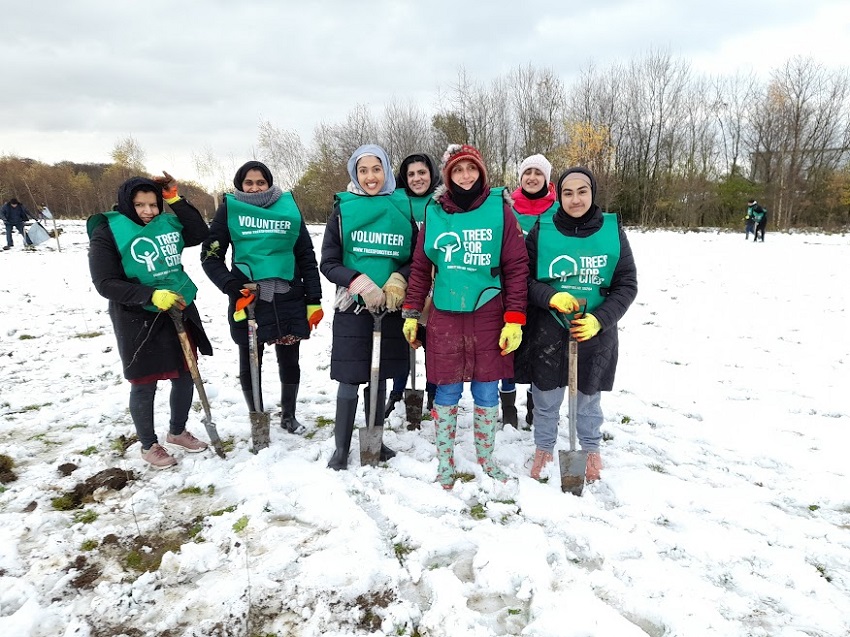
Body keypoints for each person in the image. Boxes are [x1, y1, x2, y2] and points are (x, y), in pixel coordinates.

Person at [401, 144, 529, 489]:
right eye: (458, 170)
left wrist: (515, 316)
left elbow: (516, 267)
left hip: (489, 310)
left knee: (487, 390)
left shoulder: (500, 210)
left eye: (471, 168)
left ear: (481, 172)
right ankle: (445, 458)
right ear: (448, 176)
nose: (466, 175)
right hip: (445, 311)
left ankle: (486, 456)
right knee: (447, 388)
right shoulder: (436, 212)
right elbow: (421, 265)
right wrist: (412, 311)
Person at [515, 167, 637, 482]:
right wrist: (549, 297)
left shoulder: (612, 231)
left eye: (582, 191)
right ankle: (543, 446)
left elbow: (626, 284)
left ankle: (591, 448)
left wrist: (600, 319)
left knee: (588, 397)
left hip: (594, 330)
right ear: (560, 196)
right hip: (549, 329)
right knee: (545, 397)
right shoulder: (542, 230)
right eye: (568, 193)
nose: (575, 199)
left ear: (592, 193)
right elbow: (523, 279)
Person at [88, 173, 213, 469]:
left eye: (153, 204)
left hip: (179, 305)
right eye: (140, 205)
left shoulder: (166, 223)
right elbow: (105, 282)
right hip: (137, 316)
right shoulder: (108, 231)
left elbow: (197, 232)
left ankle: (178, 430)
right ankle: (148, 444)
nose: (147, 211)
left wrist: (174, 199)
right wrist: (149, 295)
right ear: (127, 204)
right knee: (144, 382)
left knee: (186, 371)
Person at [201, 161, 322, 446]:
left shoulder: (287, 208)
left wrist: (313, 298)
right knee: (251, 359)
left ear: (269, 183)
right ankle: (257, 416)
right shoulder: (230, 209)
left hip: (288, 295)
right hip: (250, 299)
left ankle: (288, 415)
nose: (255, 187)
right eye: (249, 183)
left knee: (290, 359)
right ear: (240, 185)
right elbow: (210, 255)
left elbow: (305, 253)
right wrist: (231, 287)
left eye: (260, 182)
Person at [320, 144, 417, 470]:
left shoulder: (401, 208)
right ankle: (341, 447)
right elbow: (329, 261)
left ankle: (374, 441)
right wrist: (357, 281)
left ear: (387, 171)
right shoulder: (343, 210)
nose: (370, 176)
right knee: (350, 377)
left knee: (380, 378)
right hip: (353, 307)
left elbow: (415, 259)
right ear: (354, 174)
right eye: (363, 170)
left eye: (377, 169)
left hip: (389, 306)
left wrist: (398, 280)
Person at [501, 153, 559, 429]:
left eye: (539, 173)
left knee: (538, 351)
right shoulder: (506, 207)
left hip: (543, 292)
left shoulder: (557, 212)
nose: (532, 178)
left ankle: (535, 408)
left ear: (547, 180)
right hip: (510, 289)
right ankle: (508, 408)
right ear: (520, 177)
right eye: (528, 173)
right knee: (508, 349)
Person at [384, 153, 442, 417]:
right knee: (404, 339)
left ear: (431, 174)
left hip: (435, 281)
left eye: (422, 172)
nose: (417, 178)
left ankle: (433, 393)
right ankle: (397, 392)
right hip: (402, 278)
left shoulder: (441, 202)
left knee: (432, 342)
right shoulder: (396, 202)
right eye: (411, 174)